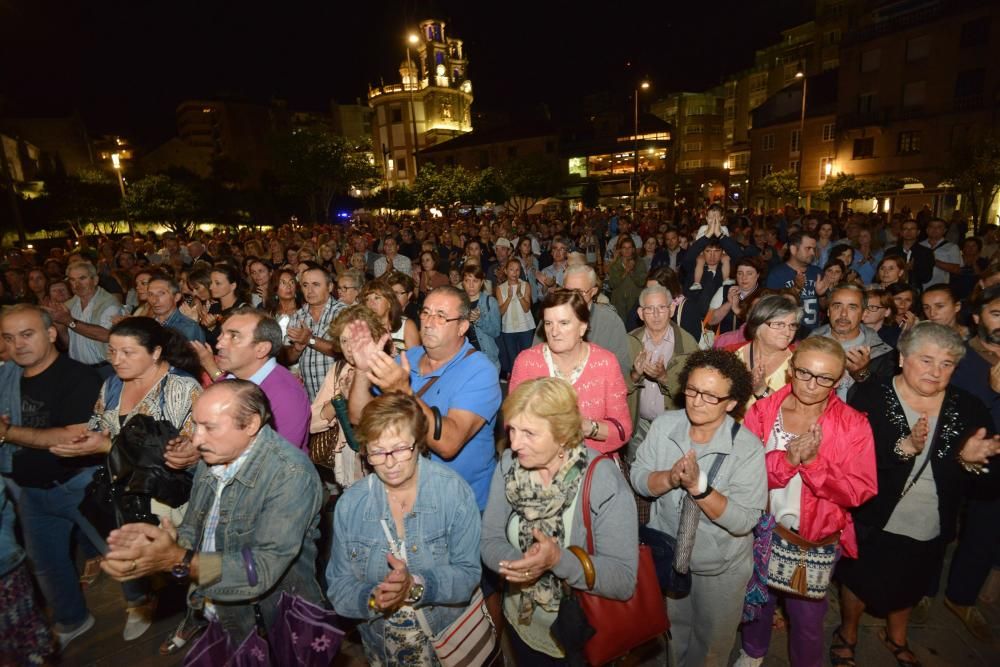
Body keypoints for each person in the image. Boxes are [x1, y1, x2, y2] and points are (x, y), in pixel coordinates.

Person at [100, 381, 325, 644]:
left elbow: (262, 569)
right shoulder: (216, 456)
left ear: (251, 424)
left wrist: (175, 559)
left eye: (210, 427)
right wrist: (161, 546)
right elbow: (195, 528)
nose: (196, 439)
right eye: (196, 425)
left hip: (273, 622)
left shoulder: (290, 474)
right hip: (218, 609)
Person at [834, 323, 999, 667]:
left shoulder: (969, 409)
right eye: (926, 360)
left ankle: (897, 636)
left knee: (913, 583)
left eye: (946, 363)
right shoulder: (870, 397)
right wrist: (902, 448)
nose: (935, 372)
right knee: (857, 580)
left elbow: (989, 486)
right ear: (902, 357)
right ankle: (847, 633)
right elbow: (849, 463)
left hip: (932, 521)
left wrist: (970, 462)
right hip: (872, 517)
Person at [50, 317, 203, 640]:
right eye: (112, 351)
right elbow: (99, 421)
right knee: (147, 563)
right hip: (127, 491)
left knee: (181, 561)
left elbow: (181, 455)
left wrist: (107, 445)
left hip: (170, 497)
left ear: (156, 352)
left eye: (128, 352)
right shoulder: (113, 384)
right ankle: (153, 601)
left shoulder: (182, 388)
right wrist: (86, 441)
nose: (116, 359)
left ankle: (196, 612)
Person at [735, 337, 878, 667]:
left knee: (808, 618)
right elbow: (743, 474)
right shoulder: (763, 410)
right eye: (804, 373)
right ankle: (752, 652)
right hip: (761, 528)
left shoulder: (853, 424)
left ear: (839, 380)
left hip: (813, 536)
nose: (812, 385)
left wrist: (814, 464)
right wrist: (786, 460)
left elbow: (860, 489)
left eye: (825, 378)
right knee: (758, 600)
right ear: (791, 370)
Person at [481, 377, 639, 664]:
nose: (515, 444)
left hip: (580, 634)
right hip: (522, 624)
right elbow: (490, 539)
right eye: (512, 429)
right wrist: (519, 564)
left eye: (529, 433)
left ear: (563, 434)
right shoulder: (509, 466)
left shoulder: (602, 481)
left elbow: (622, 579)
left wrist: (557, 561)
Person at [631, 349, 766, 667]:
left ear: (731, 403)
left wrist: (699, 488)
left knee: (710, 649)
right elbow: (638, 478)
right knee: (672, 636)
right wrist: (669, 477)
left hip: (720, 569)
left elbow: (744, 520)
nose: (695, 401)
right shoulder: (665, 426)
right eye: (691, 390)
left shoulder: (747, 448)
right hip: (669, 557)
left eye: (709, 396)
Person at [327, 392, 485, 664]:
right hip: (382, 645)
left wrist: (415, 586)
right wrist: (374, 599)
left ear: (419, 444)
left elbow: (468, 574)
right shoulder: (351, 505)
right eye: (377, 451)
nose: (389, 463)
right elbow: (339, 587)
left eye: (400, 449)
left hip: (448, 641)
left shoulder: (452, 493)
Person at [0, 304, 104, 649]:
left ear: (50, 334)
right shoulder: (6, 379)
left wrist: (7, 433)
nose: (18, 344)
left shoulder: (79, 376)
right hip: (31, 489)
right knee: (46, 564)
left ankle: (141, 605)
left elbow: (71, 437)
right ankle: (73, 619)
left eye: (27, 334)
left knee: (120, 555)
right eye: (8, 337)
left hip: (81, 482)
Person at [347, 285, 502, 511]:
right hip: (407, 497)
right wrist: (362, 370)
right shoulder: (409, 357)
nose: (429, 322)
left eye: (441, 316)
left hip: (457, 504)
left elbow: (448, 444)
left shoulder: (480, 371)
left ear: (462, 327)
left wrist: (403, 391)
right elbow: (359, 416)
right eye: (426, 312)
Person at [510, 289, 632, 454]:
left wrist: (588, 427)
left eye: (563, 323)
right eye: (548, 323)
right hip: (539, 462)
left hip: (592, 465)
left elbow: (622, 431)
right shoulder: (527, 363)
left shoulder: (605, 364)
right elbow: (512, 421)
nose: (554, 332)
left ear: (582, 327)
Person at [192, 307, 311, 451]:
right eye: (221, 335)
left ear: (261, 349)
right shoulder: (228, 380)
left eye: (234, 337)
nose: (219, 345)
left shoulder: (286, 395)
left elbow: (278, 461)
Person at [310, 305, 392, 489]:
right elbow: (313, 421)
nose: (349, 347)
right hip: (348, 460)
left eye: (355, 340)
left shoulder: (386, 368)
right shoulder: (339, 370)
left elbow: (385, 424)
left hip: (382, 459)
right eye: (344, 340)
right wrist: (339, 399)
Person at [627, 284, 699, 458]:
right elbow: (615, 388)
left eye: (662, 308)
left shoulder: (688, 344)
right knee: (636, 474)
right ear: (640, 313)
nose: (657, 315)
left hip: (674, 426)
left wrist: (664, 378)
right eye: (650, 309)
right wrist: (635, 375)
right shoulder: (629, 342)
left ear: (672, 309)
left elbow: (697, 393)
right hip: (638, 426)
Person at [808, 283, 896, 401]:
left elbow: (886, 401)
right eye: (837, 306)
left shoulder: (883, 353)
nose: (843, 314)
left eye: (852, 307)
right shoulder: (808, 345)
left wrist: (862, 374)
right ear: (828, 311)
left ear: (864, 314)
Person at [46, 260, 122, 378]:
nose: (77, 284)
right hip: (78, 369)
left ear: (95, 280)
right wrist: (59, 325)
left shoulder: (108, 302)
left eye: (82, 278)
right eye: (72, 280)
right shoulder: (70, 304)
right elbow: (66, 345)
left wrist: (68, 321)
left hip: (105, 369)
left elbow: (107, 335)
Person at [282, 267, 344, 401]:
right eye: (305, 285)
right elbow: (287, 357)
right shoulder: (298, 316)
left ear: (330, 286)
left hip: (341, 394)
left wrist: (310, 339)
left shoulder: (343, 312)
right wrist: (297, 349)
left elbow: (343, 350)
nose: (310, 291)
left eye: (316, 284)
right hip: (310, 398)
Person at [734, 295, 801, 409]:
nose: (787, 332)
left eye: (792, 325)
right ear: (758, 324)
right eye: (779, 324)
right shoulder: (732, 353)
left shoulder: (800, 362)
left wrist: (763, 390)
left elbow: (797, 412)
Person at [765, 231, 829, 333]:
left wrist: (821, 295)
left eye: (814, 249)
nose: (813, 253)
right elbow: (772, 309)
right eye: (808, 248)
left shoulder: (817, 272)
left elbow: (825, 307)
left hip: (814, 334)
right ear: (793, 249)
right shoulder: (777, 275)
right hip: (787, 334)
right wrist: (796, 288)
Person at [497, 258, 537, 378]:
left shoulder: (525, 285)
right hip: (508, 329)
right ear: (505, 271)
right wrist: (509, 297)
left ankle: (529, 382)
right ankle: (517, 385)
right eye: (511, 270)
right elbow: (501, 311)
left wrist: (519, 294)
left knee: (527, 358)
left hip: (525, 327)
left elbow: (526, 309)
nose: (514, 273)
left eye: (517, 270)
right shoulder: (500, 288)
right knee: (513, 359)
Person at [707, 256, 764, 335]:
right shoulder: (725, 290)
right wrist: (729, 303)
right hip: (726, 344)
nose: (744, 277)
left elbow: (761, 326)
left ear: (758, 275)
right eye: (740, 273)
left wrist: (737, 309)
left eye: (749, 273)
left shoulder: (765, 295)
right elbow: (710, 321)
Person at [462, 263, 501, 372]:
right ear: (462, 283)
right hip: (465, 359)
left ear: (482, 282)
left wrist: (479, 320)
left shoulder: (490, 302)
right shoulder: (458, 304)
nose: (471, 285)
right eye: (467, 281)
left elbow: (496, 332)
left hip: (487, 358)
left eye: (475, 281)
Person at [361, 280, 419, 353]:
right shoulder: (363, 328)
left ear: (389, 303)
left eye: (377, 298)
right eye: (367, 299)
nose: (371, 303)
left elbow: (415, 359)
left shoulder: (406, 326)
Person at [146, 274, 206, 342]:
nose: (154, 300)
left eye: (161, 293)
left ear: (176, 297)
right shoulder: (147, 325)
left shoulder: (188, 328)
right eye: (150, 294)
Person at [884, 219, 935, 290]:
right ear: (901, 232)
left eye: (912, 229)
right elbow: (884, 273)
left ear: (918, 232)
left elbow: (926, 278)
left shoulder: (926, 252)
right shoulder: (891, 251)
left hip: (914, 289)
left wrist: (913, 268)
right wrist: (903, 269)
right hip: (892, 288)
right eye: (905, 229)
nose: (909, 231)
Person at [919, 218, 961, 290]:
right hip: (920, 286)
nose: (934, 229)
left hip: (940, 287)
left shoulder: (952, 247)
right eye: (931, 227)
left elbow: (956, 269)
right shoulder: (919, 245)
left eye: (939, 227)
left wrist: (933, 261)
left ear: (944, 230)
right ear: (927, 230)